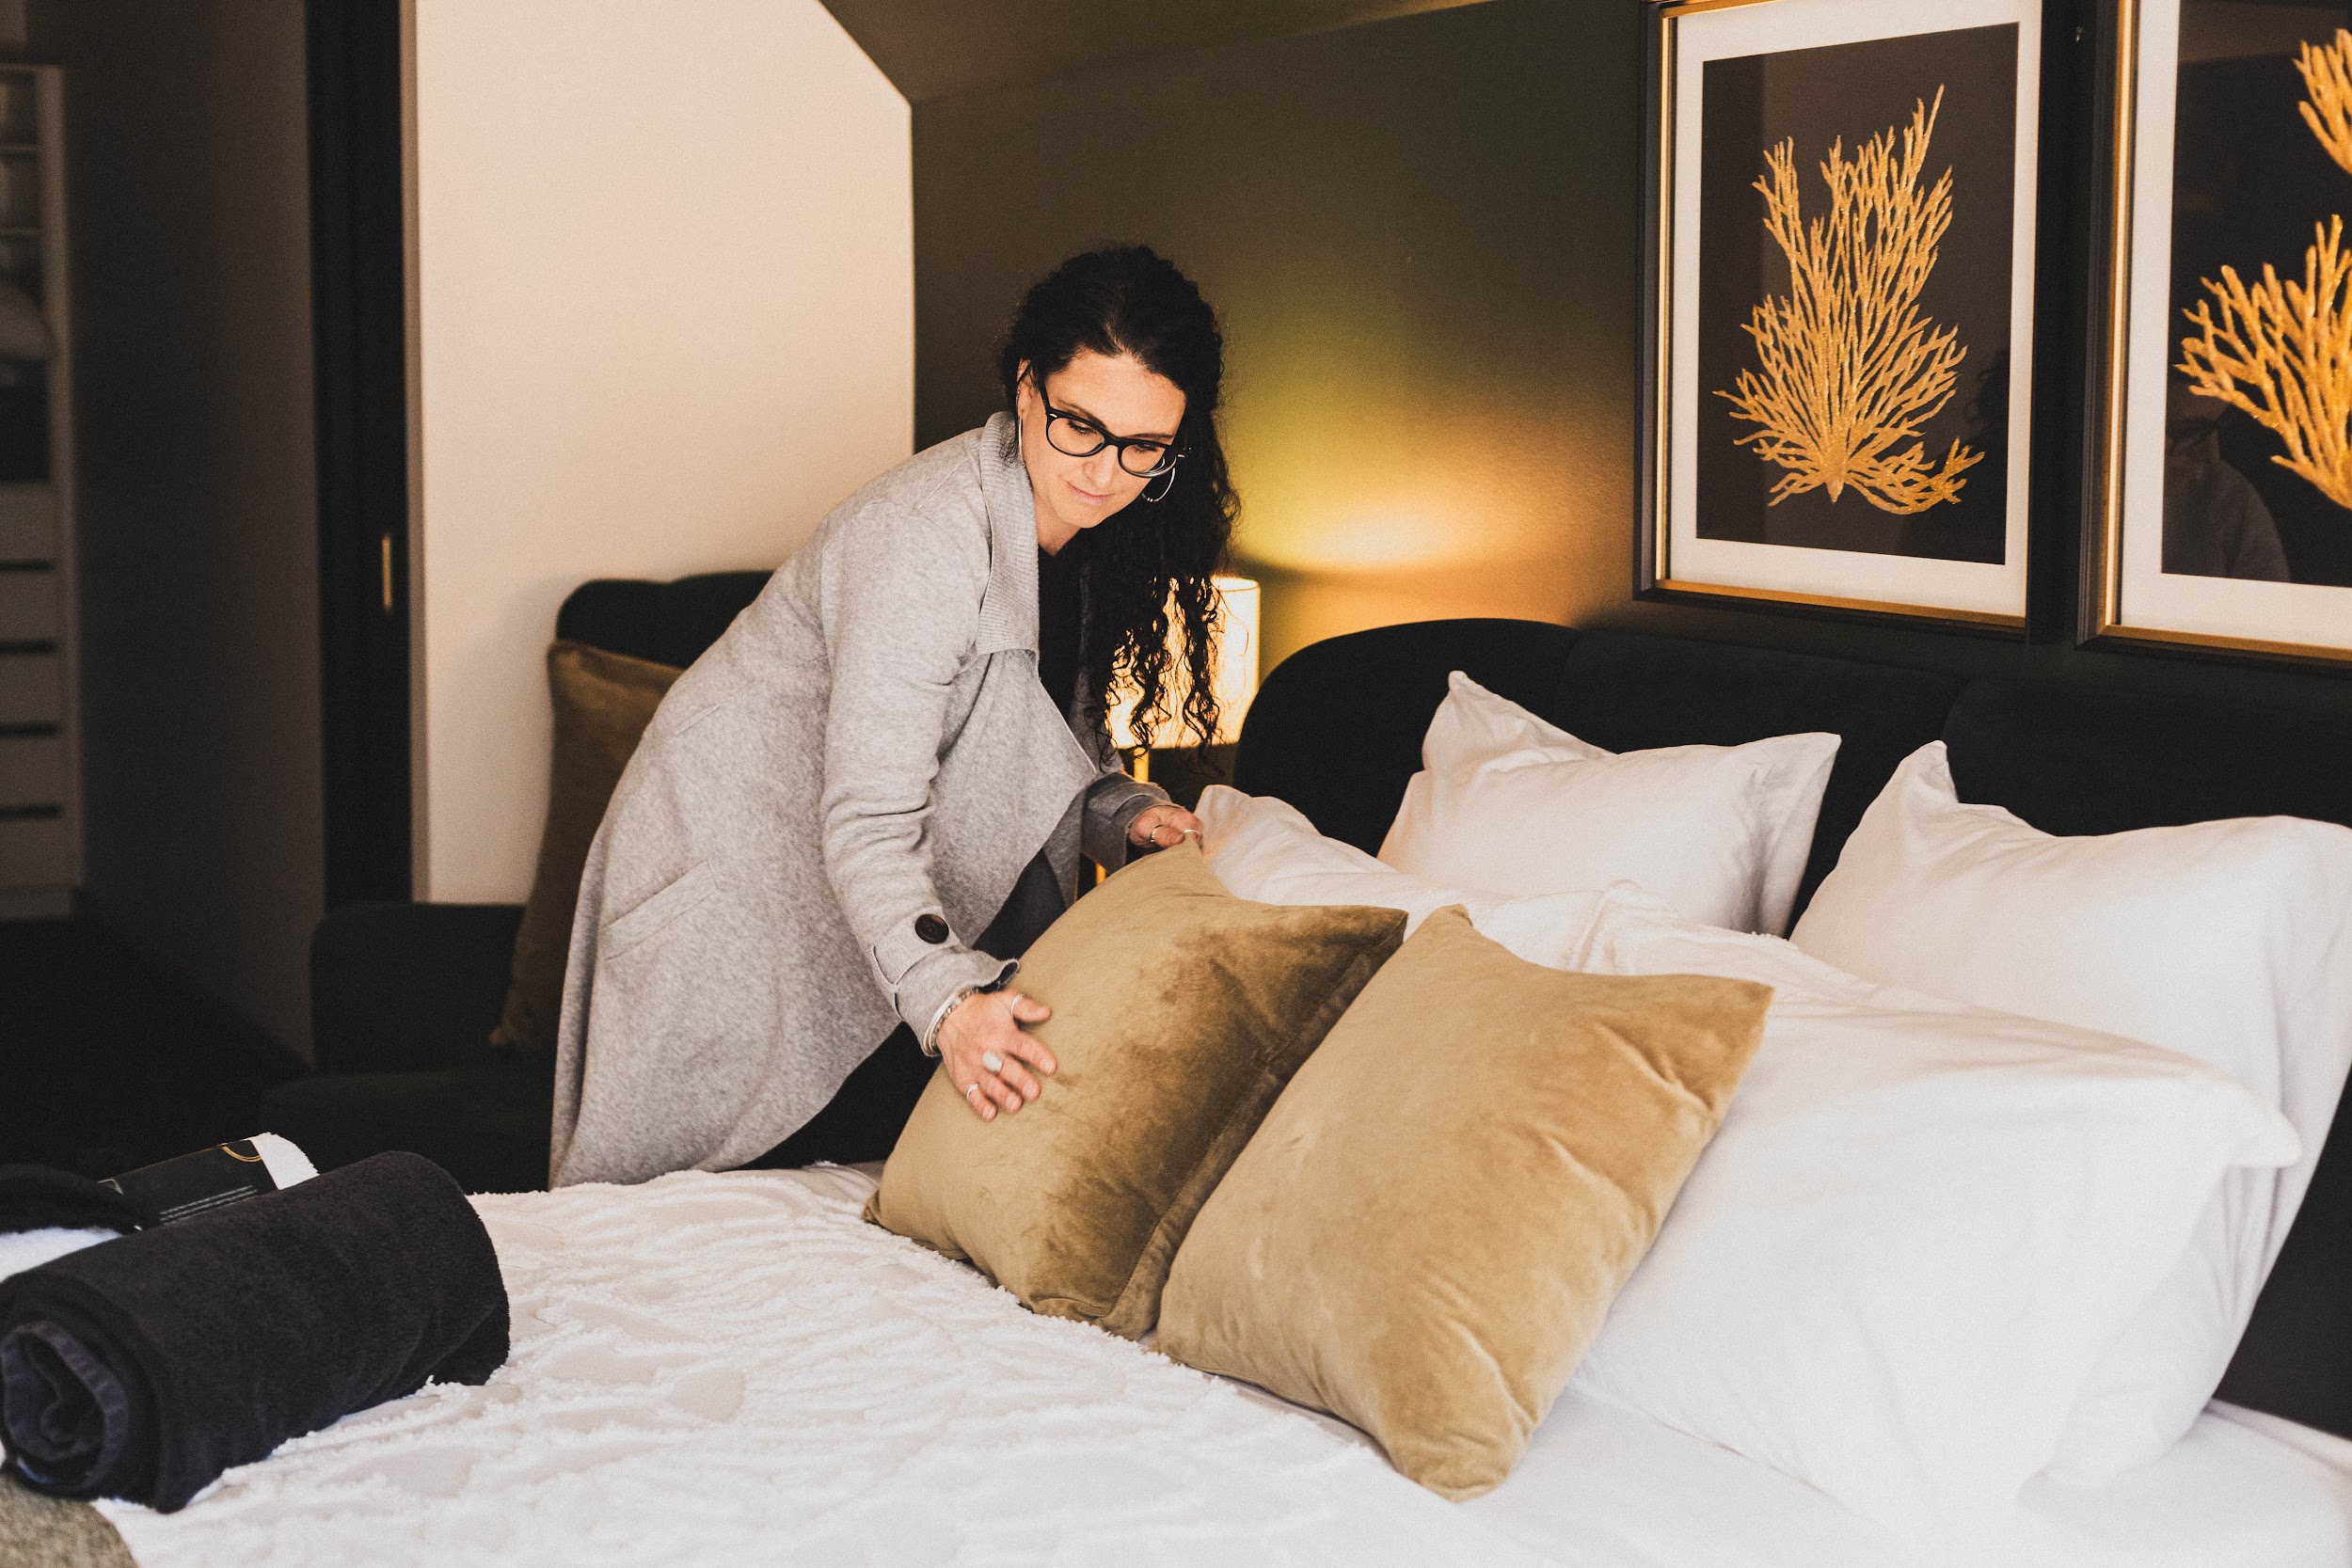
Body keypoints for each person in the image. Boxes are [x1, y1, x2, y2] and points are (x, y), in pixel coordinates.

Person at [548, 245, 1233, 1188]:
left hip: (846, 899)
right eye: (1081, 423)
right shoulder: (925, 536)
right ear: (1027, 387)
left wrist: (1121, 813)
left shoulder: (1082, 539)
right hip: (733, 887)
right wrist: (949, 1002)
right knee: (675, 1209)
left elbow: (1037, 737)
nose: (1107, 470)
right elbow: (869, 816)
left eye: (1143, 445)